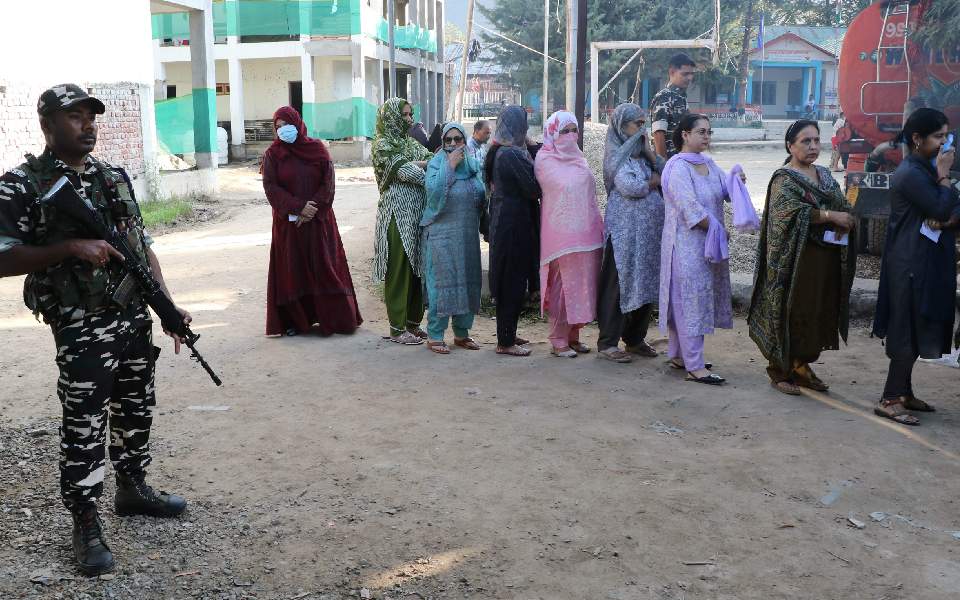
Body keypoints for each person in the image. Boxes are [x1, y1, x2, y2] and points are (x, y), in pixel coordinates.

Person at [0, 84, 189, 575]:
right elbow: (2, 256)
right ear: (47, 126)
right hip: (82, 324)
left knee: (136, 404)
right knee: (84, 420)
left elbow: (140, 243)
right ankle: (85, 519)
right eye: (75, 117)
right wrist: (68, 249)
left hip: (130, 316)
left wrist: (166, 304)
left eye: (91, 116)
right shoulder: (21, 184)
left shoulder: (112, 176)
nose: (88, 125)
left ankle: (131, 487)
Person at [748, 120, 858, 395]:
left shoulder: (823, 174)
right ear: (790, 145)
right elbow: (787, 214)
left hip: (823, 257)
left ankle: (801, 364)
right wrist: (830, 216)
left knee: (817, 309)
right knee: (792, 310)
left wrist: (845, 214)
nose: (812, 146)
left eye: (816, 141)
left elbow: (840, 203)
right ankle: (780, 370)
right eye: (805, 141)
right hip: (794, 260)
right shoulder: (783, 179)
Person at [872, 108, 959, 425]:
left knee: (919, 322)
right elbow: (940, 205)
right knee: (905, 327)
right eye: (938, 136)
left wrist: (947, 208)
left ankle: (905, 392)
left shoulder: (926, 170)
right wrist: (946, 177)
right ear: (917, 138)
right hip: (909, 262)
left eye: (946, 135)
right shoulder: (911, 173)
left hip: (926, 260)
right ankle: (890, 398)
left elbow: (951, 209)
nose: (945, 143)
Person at [261, 106, 363, 337]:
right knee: (292, 270)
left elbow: (328, 182)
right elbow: (270, 186)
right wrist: (297, 207)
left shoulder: (317, 149)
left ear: (297, 124)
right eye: (277, 127)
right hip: (289, 225)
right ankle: (296, 321)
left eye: (286, 125)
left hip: (318, 222)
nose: (282, 131)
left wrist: (310, 210)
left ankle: (335, 318)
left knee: (325, 267)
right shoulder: (273, 154)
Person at [659, 113, 736, 385]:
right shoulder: (677, 167)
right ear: (685, 134)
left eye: (708, 132)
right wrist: (716, 228)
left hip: (707, 246)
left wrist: (737, 180)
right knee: (689, 302)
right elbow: (689, 207)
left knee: (696, 299)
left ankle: (681, 356)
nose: (706, 137)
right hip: (686, 246)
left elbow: (725, 191)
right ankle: (695, 365)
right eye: (701, 131)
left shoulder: (709, 164)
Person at [596, 103, 664, 363]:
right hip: (624, 235)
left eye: (644, 123)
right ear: (622, 126)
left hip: (648, 235)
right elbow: (630, 187)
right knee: (619, 284)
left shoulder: (641, 155)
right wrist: (651, 182)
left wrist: (650, 153)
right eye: (637, 124)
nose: (642, 129)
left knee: (645, 283)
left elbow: (668, 173)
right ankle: (608, 342)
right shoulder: (616, 156)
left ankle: (635, 339)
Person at [534, 111, 604, 358]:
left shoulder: (579, 159)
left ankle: (574, 335)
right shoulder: (544, 159)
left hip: (587, 235)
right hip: (561, 238)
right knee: (562, 291)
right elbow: (560, 188)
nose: (571, 135)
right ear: (552, 132)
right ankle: (558, 339)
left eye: (574, 130)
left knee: (582, 288)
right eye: (564, 131)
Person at [372, 98, 433, 345]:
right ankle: (397, 328)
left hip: (416, 216)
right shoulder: (381, 144)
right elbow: (405, 172)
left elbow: (430, 160)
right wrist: (425, 167)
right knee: (399, 269)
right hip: (396, 215)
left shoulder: (410, 144)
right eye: (405, 115)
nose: (409, 119)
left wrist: (423, 164)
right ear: (391, 117)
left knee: (416, 269)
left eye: (410, 115)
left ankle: (413, 324)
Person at [421, 123, 486, 354]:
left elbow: (481, 194)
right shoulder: (437, 164)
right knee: (441, 284)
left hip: (467, 235)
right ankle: (435, 335)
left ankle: (462, 333)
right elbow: (433, 193)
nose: (452, 144)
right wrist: (450, 166)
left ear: (464, 141)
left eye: (457, 139)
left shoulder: (472, 165)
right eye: (447, 140)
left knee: (467, 282)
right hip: (442, 236)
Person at [484, 105, 542, 356]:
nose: (526, 130)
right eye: (524, 125)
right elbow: (534, 187)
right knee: (512, 283)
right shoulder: (510, 155)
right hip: (512, 226)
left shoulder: (503, 151)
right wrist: (532, 146)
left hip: (510, 223)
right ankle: (505, 342)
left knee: (514, 281)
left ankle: (508, 333)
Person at [650, 53, 696, 159]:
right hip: (670, 161)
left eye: (691, 74)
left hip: (682, 159)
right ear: (672, 72)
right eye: (685, 74)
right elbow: (658, 134)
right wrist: (665, 167)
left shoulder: (681, 97)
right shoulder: (664, 97)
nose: (689, 78)